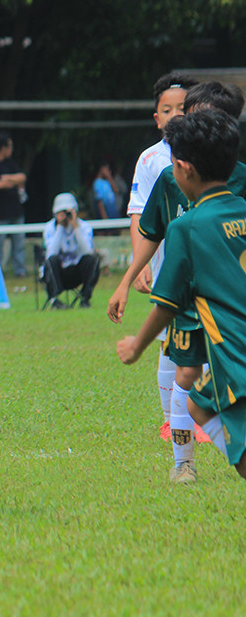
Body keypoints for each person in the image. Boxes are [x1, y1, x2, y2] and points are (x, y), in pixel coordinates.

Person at [108, 82, 245, 481]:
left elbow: (165, 304)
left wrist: (136, 345)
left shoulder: (191, 223)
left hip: (223, 322)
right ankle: (183, 462)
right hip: (202, 306)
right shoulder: (171, 182)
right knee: (190, 385)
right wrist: (127, 279)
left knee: (204, 399)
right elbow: (149, 231)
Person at [124, 71, 198, 441]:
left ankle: (199, 414)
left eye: (182, 108)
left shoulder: (206, 152)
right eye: (166, 110)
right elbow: (139, 212)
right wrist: (140, 263)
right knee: (170, 338)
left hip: (204, 262)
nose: (174, 115)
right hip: (168, 263)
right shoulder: (151, 159)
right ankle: (172, 419)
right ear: (157, 119)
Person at [41, 192, 99, 309]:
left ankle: (85, 298)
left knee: (93, 259)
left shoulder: (84, 227)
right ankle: (54, 300)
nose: (65, 216)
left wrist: (75, 227)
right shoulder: (50, 228)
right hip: (58, 273)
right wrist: (60, 227)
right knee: (51, 260)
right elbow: (51, 253)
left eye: (68, 212)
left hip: (77, 271)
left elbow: (87, 251)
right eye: (61, 213)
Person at [0, 131, 28, 277]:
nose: (11, 149)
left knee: (19, 242)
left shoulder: (11, 163)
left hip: (16, 210)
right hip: (0, 212)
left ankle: (20, 270)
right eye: (9, 146)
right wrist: (13, 181)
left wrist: (7, 178)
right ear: (3, 147)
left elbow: (22, 177)